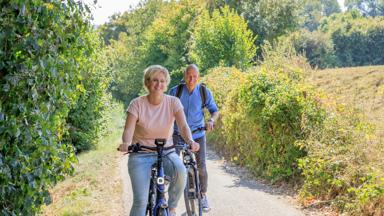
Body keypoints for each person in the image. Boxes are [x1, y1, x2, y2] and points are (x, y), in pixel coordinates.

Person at [118, 65, 200, 216]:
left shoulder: (173, 102)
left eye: (162, 81)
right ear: (147, 83)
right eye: (154, 80)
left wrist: (190, 140)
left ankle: (172, 208)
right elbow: (128, 129)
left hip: (166, 152)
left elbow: (183, 125)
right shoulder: (136, 104)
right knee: (140, 202)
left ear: (166, 84)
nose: (158, 84)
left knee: (181, 171)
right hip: (140, 153)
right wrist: (126, 142)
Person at [169, 64, 219, 212]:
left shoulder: (204, 91)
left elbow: (215, 111)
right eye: (189, 76)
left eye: (195, 76)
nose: (192, 79)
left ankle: (202, 195)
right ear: (184, 76)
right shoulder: (175, 91)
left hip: (197, 135)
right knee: (174, 168)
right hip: (178, 135)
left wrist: (211, 121)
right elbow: (166, 111)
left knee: (201, 166)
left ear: (198, 77)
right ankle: (173, 203)